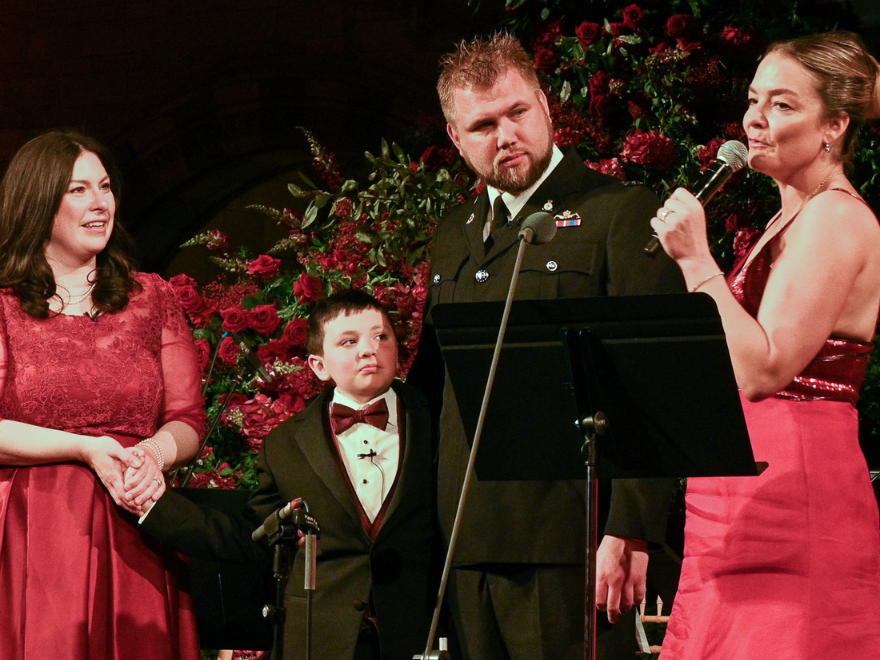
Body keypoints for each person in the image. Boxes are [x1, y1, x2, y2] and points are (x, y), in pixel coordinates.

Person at [408, 32, 686, 660]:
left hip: (571, 538)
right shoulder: (453, 234)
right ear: (456, 137)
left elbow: (651, 380)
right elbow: (437, 384)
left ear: (545, 106)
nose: (504, 135)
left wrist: (630, 528)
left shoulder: (618, 214)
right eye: (482, 124)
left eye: (517, 113)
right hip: (468, 535)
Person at [650, 31, 880, 659]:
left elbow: (764, 367)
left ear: (833, 124)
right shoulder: (788, 218)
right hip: (740, 491)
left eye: (782, 104)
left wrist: (697, 262)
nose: (754, 119)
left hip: (793, 496)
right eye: (754, 99)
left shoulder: (837, 217)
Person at [137, 289, 437, 660]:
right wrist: (155, 506)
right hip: (321, 637)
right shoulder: (285, 445)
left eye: (381, 336)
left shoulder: (438, 423)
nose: (368, 349)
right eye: (349, 341)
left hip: (422, 629)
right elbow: (254, 535)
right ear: (318, 366)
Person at [0, 130, 206, 658]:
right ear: (38, 202)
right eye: (78, 190)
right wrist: (84, 448)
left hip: (135, 520)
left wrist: (152, 454)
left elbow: (186, 419)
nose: (99, 204)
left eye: (105, 187)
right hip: (35, 530)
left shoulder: (150, 297)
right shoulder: (3, 307)